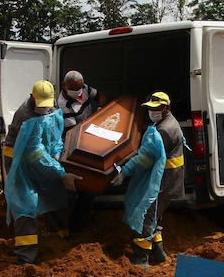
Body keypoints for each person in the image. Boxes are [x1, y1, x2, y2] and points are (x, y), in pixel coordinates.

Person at [3, 80, 80, 264]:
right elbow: (34, 153)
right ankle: (26, 257)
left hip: (43, 159)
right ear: (32, 98)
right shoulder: (25, 117)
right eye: (41, 105)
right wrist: (60, 174)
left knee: (55, 192)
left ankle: (59, 239)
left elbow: (55, 134)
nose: (44, 109)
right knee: (26, 203)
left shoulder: (50, 107)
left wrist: (56, 152)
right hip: (19, 161)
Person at [111, 91, 185, 266]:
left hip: (163, 181)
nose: (152, 112)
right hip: (170, 179)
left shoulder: (164, 130)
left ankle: (140, 259)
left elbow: (144, 158)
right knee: (156, 216)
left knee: (147, 216)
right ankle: (157, 254)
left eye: (156, 108)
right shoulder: (169, 122)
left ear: (166, 108)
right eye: (151, 108)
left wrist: (124, 171)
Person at [57, 70, 106, 234]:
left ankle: (81, 222)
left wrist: (100, 109)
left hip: (90, 137)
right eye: (74, 89)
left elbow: (100, 96)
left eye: (79, 88)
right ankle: (71, 228)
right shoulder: (63, 105)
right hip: (74, 149)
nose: (78, 92)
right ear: (65, 86)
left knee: (88, 189)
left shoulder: (83, 88)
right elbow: (73, 134)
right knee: (73, 190)